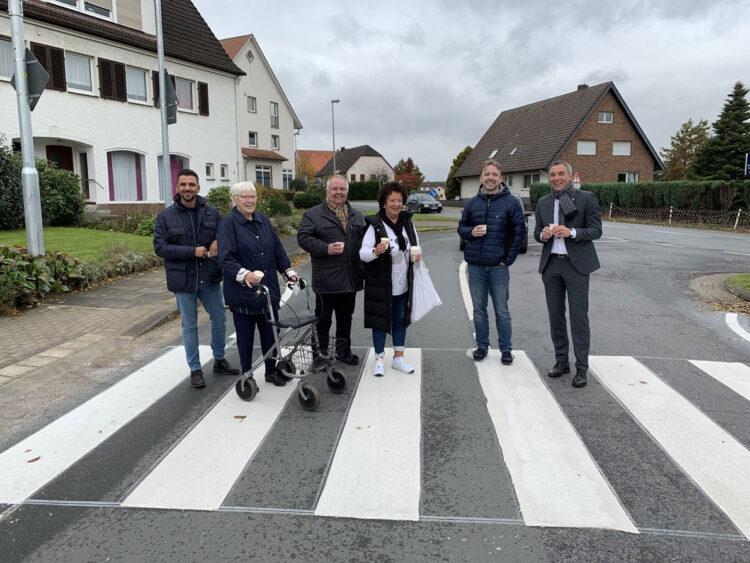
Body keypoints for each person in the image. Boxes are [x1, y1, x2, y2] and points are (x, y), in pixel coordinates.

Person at [154, 169, 239, 389]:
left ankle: (219, 359)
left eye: (192, 184)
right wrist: (192, 251)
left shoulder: (212, 213)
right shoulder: (166, 216)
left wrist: (218, 241)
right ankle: (195, 369)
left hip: (209, 276)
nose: (187, 188)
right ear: (177, 187)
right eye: (183, 184)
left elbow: (225, 234)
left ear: (198, 187)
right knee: (190, 326)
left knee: (219, 319)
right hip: (183, 280)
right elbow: (160, 247)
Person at [218, 182, 298, 387]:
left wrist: (287, 271)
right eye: (244, 196)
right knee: (245, 338)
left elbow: (277, 249)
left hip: (267, 289)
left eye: (252, 196)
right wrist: (244, 274)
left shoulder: (262, 220)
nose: (250, 200)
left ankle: (271, 371)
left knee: (271, 333)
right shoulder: (228, 224)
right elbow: (225, 258)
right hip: (243, 293)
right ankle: (247, 375)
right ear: (235, 199)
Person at [533, 160, 602, 388]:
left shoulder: (585, 198)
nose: (556, 178)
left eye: (561, 174)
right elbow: (536, 233)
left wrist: (571, 231)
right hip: (551, 265)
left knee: (578, 318)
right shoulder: (543, 202)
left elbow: (595, 230)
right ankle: (561, 362)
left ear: (570, 176)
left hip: (577, 266)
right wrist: (543, 235)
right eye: (552, 175)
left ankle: (581, 368)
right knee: (556, 317)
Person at [458, 159, 525, 366]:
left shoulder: (511, 203)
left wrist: (508, 259)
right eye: (487, 174)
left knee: (501, 311)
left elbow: (519, 233)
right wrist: (471, 232)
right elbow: (461, 228)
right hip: (476, 266)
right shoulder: (472, 203)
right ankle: (482, 346)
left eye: (494, 175)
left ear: (500, 178)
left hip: (498, 267)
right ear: (481, 178)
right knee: (479, 310)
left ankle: (506, 349)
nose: (490, 178)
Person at [297, 174, 365, 365]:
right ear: (327, 191)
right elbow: (303, 238)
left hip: (350, 278)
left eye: (342, 189)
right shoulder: (313, 214)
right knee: (323, 320)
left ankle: (343, 352)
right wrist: (325, 248)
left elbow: (363, 244)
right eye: (334, 189)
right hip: (326, 279)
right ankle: (319, 355)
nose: (338, 193)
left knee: (345, 318)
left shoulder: (356, 215)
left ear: (347, 192)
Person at [359, 182, 420, 376]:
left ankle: (398, 358)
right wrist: (376, 252)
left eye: (399, 200)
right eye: (391, 200)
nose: (396, 204)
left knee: (400, 320)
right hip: (380, 283)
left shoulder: (408, 223)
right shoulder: (375, 225)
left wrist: (416, 255)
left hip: (402, 283)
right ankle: (378, 359)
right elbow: (362, 253)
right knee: (380, 321)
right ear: (384, 203)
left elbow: (416, 246)